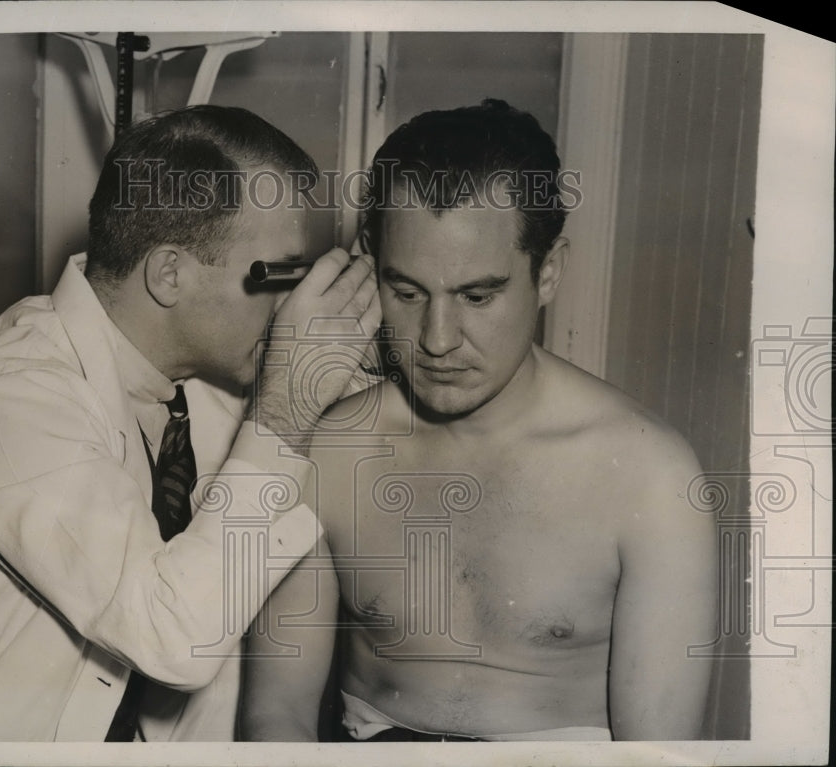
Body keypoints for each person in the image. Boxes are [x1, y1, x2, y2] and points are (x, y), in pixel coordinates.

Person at [0, 105, 380, 741]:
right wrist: (286, 410)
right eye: (279, 275)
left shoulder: (196, 379)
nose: (292, 309)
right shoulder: (10, 400)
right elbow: (173, 638)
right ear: (170, 274)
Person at [240, 99, 716, 742]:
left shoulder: (650, 476)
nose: (437, 340)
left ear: (547, 272)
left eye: (477, 296)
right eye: (406, 293)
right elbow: (278, 713)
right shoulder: (331, 451)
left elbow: (658, 757)